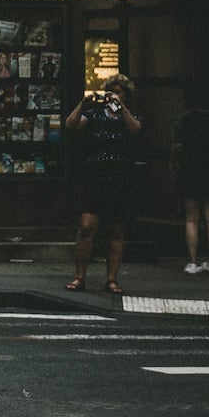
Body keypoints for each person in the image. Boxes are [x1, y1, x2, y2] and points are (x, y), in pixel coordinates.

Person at [65, 75, 144, 294]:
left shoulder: (131, 114)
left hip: (120, 177)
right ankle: (79, 277)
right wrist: (83, 104)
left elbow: (135, 129)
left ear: (126, 95)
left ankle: (111, 279)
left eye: (120, 92)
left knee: (116, 230)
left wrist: (121, 108)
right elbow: (71, 124)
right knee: (87, 226)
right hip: (95, 175)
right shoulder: (96, 113)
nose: (115, 95)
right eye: (112, 91)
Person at [172, 98, 209, 274]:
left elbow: (178, 146)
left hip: (191, 170)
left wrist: (174, 163)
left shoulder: (184, 120)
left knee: (191, 219)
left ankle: (192, 262)